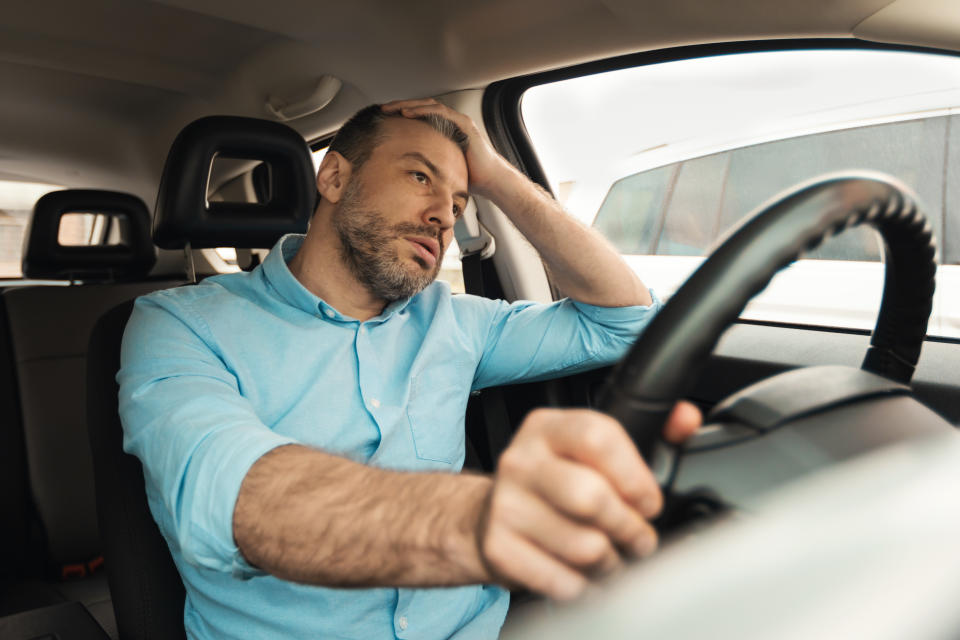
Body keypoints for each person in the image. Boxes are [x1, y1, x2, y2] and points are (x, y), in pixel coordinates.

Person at [118, 99, 700, 639]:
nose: (442, 216)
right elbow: (232, 493)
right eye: (420, 177)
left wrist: (495, 175)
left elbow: (626, 322)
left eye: (458, 203)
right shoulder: (177, 325)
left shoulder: (456, 322)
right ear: (335, 178)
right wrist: (494, 522)